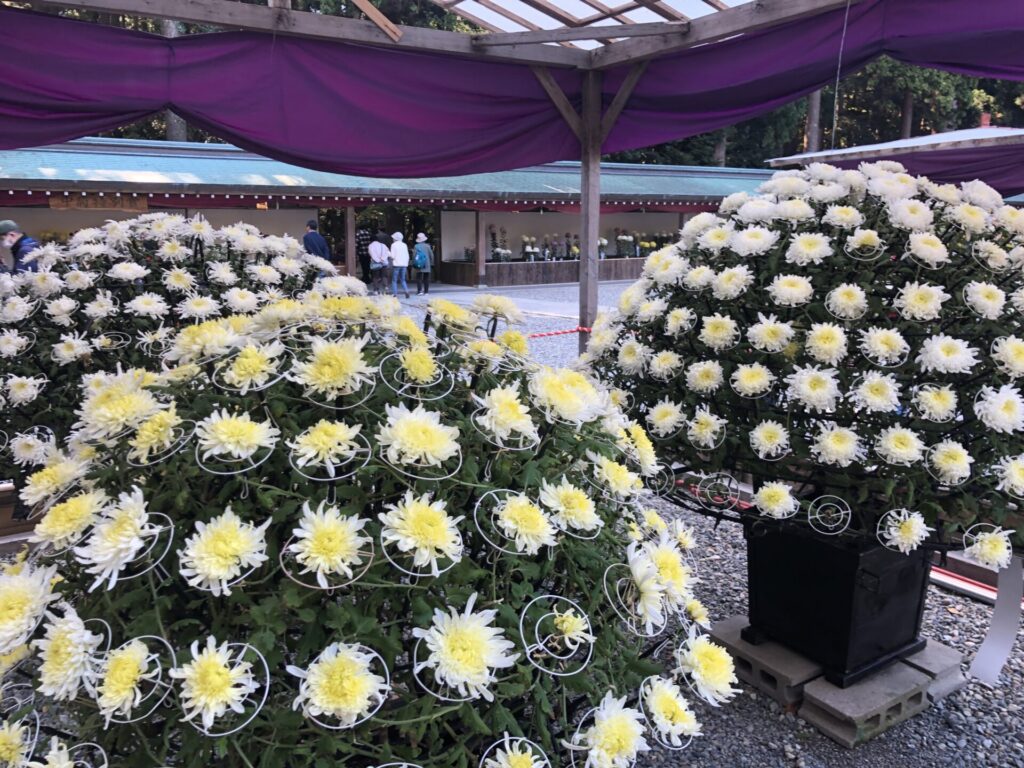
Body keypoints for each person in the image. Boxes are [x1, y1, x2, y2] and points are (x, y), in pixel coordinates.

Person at [390, 232, 410, 299]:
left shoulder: (393, 245)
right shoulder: (404, 245)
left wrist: (388, 253)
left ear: (395, 238)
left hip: (397, 264)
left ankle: (395, 294)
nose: (392, 239)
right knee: (403, 280)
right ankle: (406, 291)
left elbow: (393, 256)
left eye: (393, 238)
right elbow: (407, 255)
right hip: (404, 264)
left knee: (394, 280)